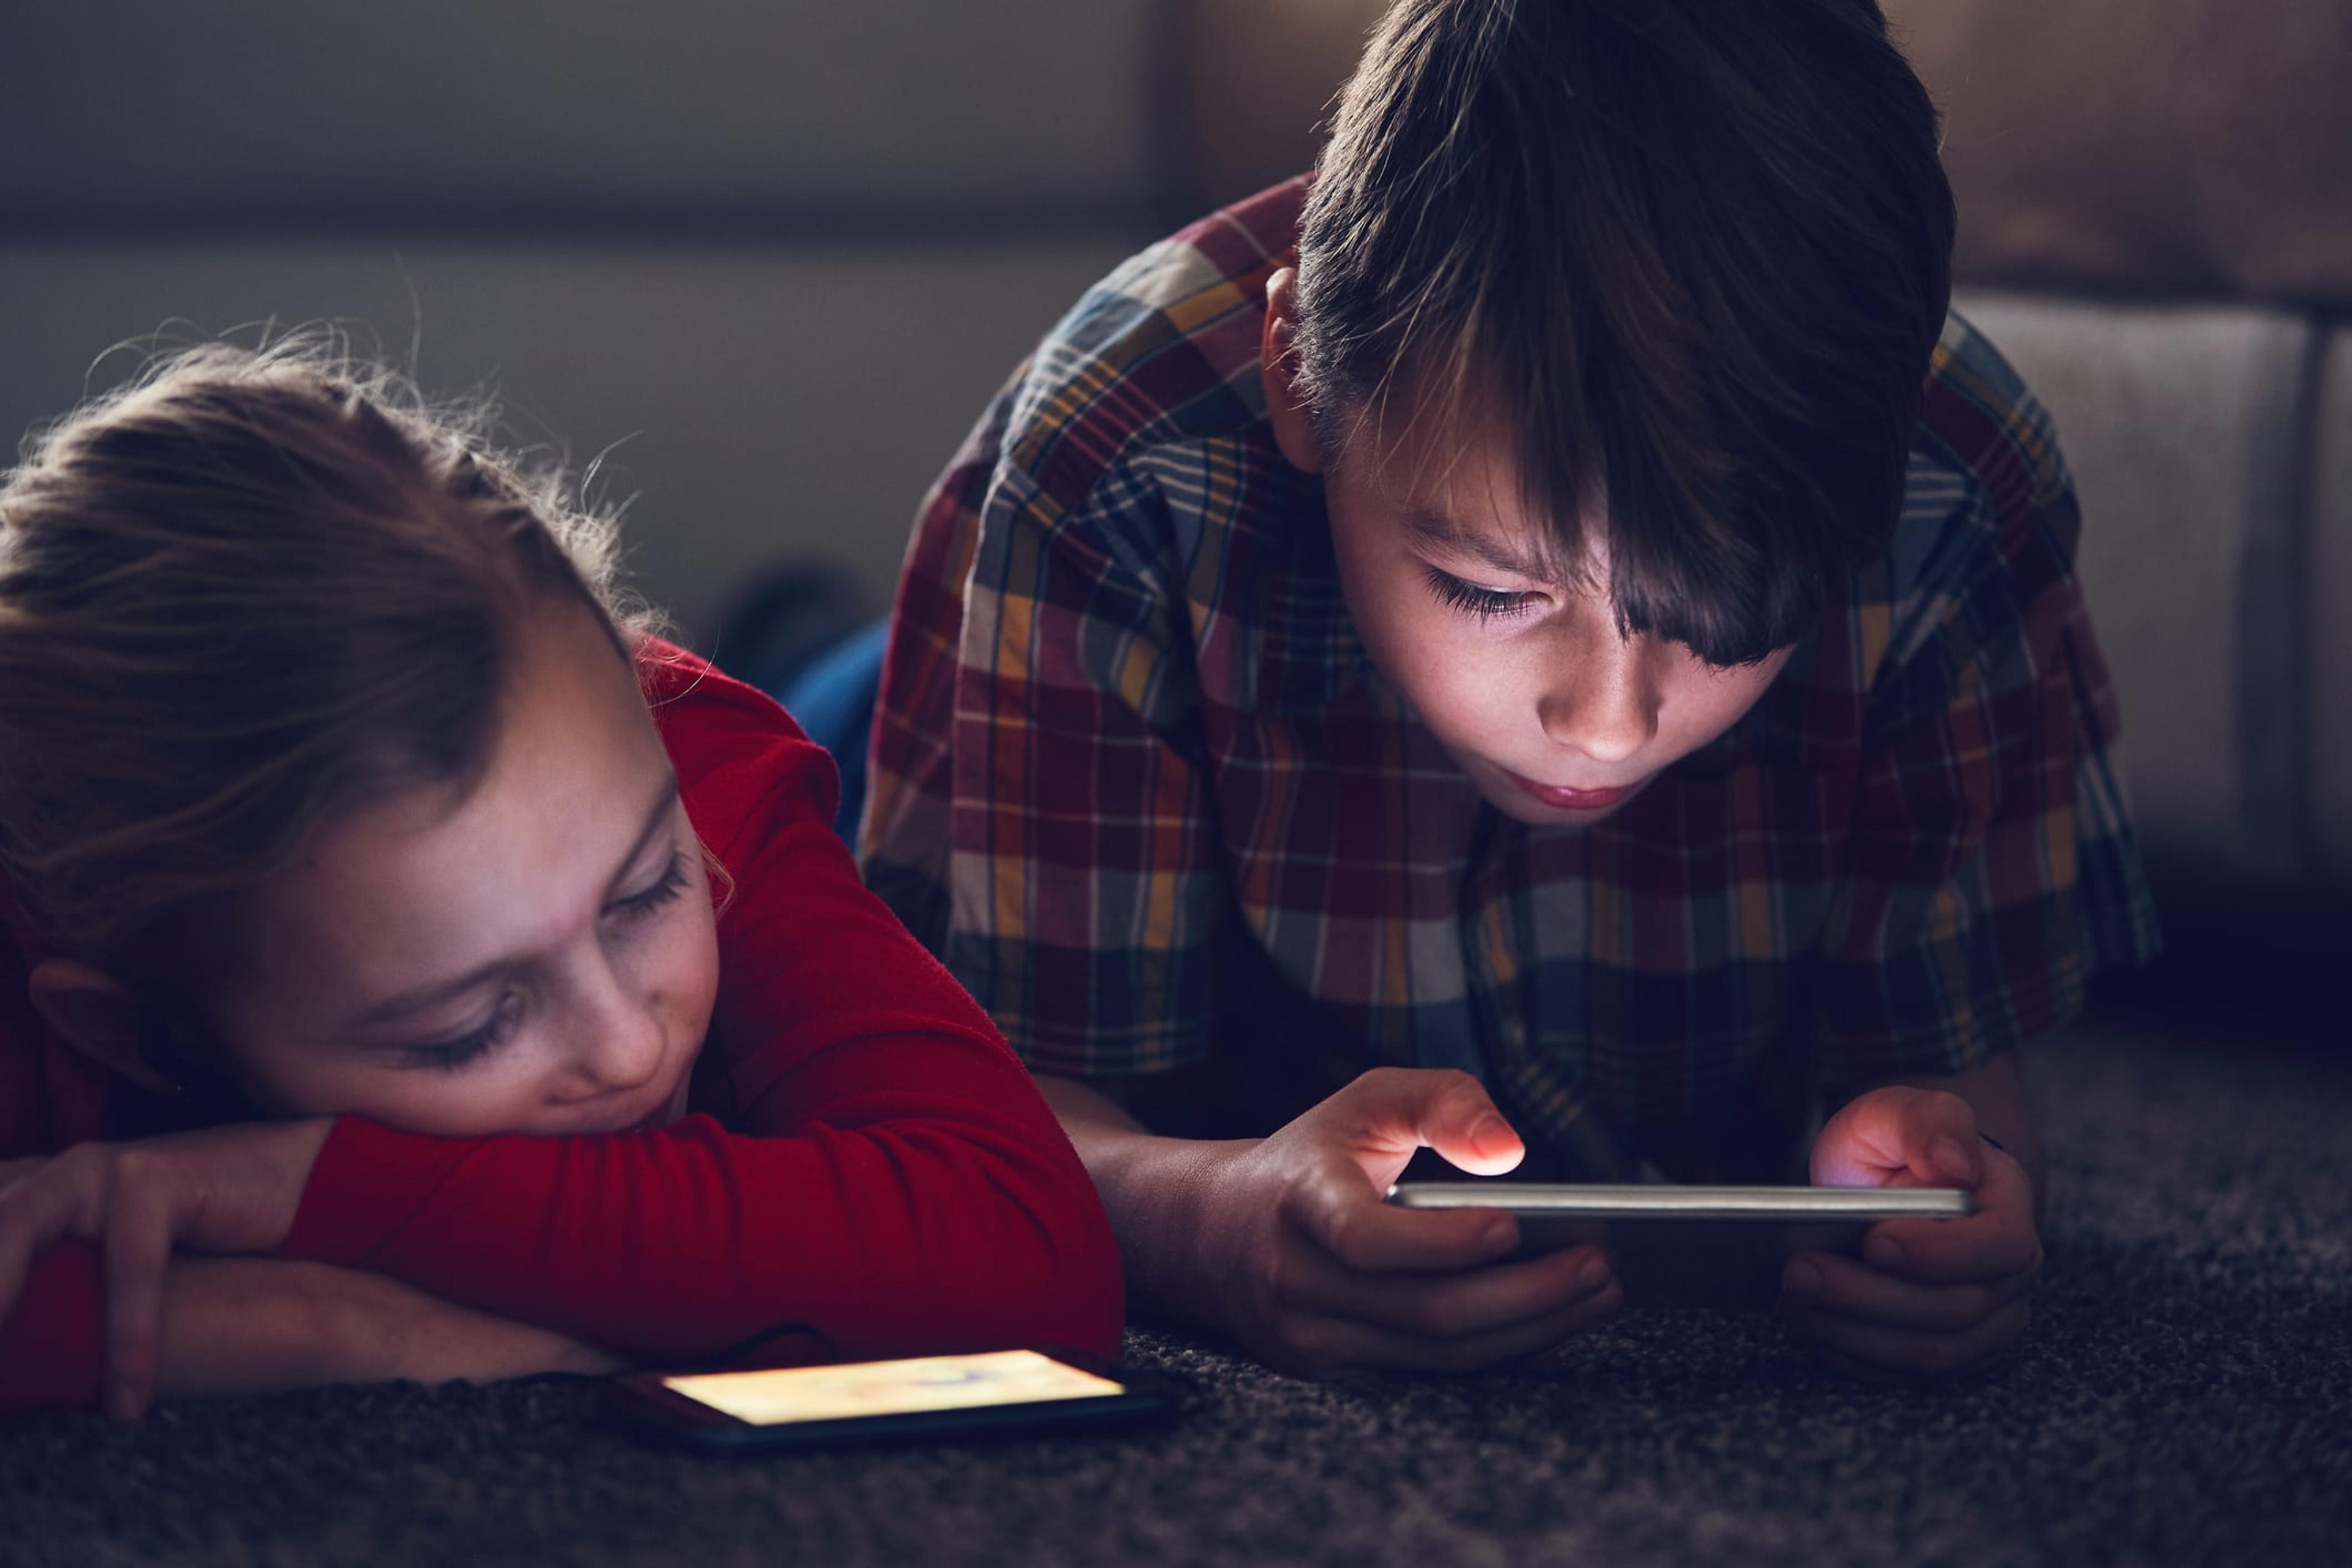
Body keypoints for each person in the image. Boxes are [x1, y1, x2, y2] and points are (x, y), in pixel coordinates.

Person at [861, 0, 2159, 1382]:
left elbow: (1959, 1073)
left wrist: (1931, 1160)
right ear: (1300, 375)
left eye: (1736, 623)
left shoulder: (1955, 473)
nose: (1605, 723)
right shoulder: (1119, 461)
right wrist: (1207, 1227)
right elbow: (976, 1113)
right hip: (970, 689)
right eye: (1488, 592)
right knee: (786, 793)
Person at [0, 341, 1121, 1418]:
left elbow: (1026, 1255)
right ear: (136, 1034)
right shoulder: (52, 954)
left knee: (857, 677)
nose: (631, 1049)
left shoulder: (689, 763)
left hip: (794, 695)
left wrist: (327, 1191)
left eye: (644, 897)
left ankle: (794, 627)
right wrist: (322, 1327)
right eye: (468, 1027)